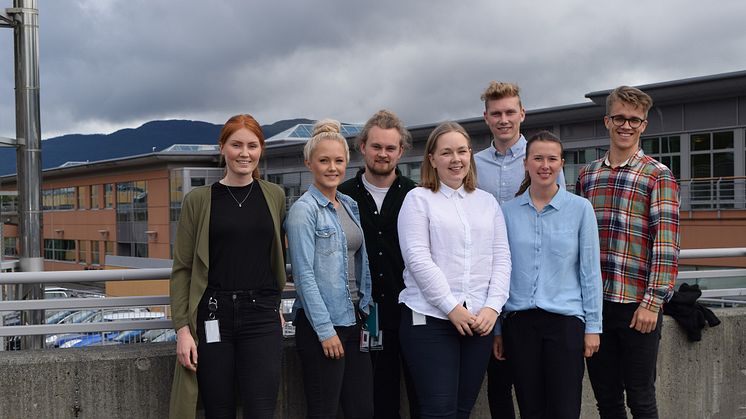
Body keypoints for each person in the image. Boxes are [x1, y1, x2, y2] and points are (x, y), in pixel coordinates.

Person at [169, 114, 287, 419]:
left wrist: (277, 307)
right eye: (236, 144)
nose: (244, 153)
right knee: (218, 410)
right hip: (213, 316)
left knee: (261, 410)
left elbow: (275, 257)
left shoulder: (274, 196)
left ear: (261, 149)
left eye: (252, 145)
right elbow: (182, 268)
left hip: (261, 315)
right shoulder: (199, 200)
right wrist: (182, 329)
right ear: (222, 147)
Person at [577, 86, 680, 418]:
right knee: (606, 399)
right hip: (596, 306)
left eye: (634, 120)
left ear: (644, 125)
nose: (626, 125)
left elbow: (666, 245)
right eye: (620, 117)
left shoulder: (658, 175)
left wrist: (652, 302)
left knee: (641, 398)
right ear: (607, 121)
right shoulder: (587, 176)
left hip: (638, 307)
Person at [397, 121, 511, 419]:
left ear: (470, 155)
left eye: (462, 151)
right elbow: (418, 259)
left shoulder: (487, 203)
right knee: (438, 411)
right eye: (446, 152)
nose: (456, 159)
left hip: (478, 321)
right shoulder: (418, 199)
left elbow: (501, 258)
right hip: (429, 318)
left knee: (461, 410)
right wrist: (450, 307)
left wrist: (493, 307)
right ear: (432, 159)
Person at [474, 81, 565, 418]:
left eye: (510, 111)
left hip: (531, 287)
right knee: (497, 382)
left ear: (522, 114)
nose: (504, 119)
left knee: (536, 385)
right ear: (486, 118)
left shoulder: (542, 157)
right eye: (496, 113)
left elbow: (557, 227)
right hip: (487, 281)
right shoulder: (472, 163)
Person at [497, 131, 602, 418]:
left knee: (565, 409)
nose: (545, 165)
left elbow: (590, 272)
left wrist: (593, 326)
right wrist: (497, 329)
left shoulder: (581, 209)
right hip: (520, 324)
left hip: (565, 324)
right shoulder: (506, 212)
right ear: (526, 164)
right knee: (531, 409)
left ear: (561, 164)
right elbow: (499, 273)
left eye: (552, 159)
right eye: (538, 158)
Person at [285, 119, 374, 418]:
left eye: (338, 160)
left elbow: (362, 262)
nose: (332, 167)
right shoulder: (303, 211)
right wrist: (325, 331)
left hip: (355, 318)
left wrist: (368, 312)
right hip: (322, 326)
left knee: (361, 408)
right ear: (309, 163)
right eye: (324, 161)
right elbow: (304, 276)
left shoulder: (349, 204)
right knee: (324, 410)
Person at [337, 109, 419, 419]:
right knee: (377, 400)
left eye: (389, 148)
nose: (382, 154)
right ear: (362, 147)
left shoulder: (417, 195)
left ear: (400, 151)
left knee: (421, 396)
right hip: (365, 315)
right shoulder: (342, 196)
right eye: (376, 146)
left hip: (412, 311)